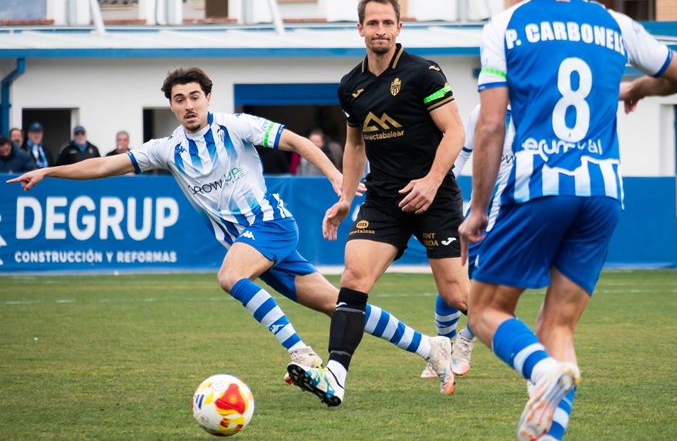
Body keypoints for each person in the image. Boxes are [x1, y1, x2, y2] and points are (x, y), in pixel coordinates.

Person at [7, 67, 453, 394]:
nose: (188, 105)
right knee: (339, 306)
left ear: (207, 97)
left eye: (195, 96)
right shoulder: (167, 149)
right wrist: (51, 173)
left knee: (229, 276)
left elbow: (296, 141)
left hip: (270, 225)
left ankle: (301, 352)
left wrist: (336, 177)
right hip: (253, 241)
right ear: (172, 105)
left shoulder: (236, 125)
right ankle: (430, 347)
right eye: (179, 99)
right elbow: (105, 164)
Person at [458, 0, 677, 441]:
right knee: (559, 326)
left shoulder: (506, 24)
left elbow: (492, 124)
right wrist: (637, 90)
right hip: (603, 193)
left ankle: (538, 372)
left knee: (485, 311)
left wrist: (477, 208)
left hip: (540, 186)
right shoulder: (616, 24)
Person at [286, 0, 470, 406]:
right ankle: (335, 376)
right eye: (373, 23)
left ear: (399, 27)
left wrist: (430, 180)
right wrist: (347, 198)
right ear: (360, 29)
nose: (381, 30)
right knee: (353, 278)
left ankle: (535, 361)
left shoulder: (425, 72)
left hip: (434, 198)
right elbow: (354, 146)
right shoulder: (350, 86)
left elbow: (455, 132)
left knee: (459, 297)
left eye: (388, 23)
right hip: (385, 200)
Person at [422, 102, 515, 380]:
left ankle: (465, 342)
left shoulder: (542, 108)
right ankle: (443, 347)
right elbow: (461, 155)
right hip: (478, 216)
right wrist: (438, 188)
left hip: (515, 219)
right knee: (454, 287)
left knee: (493, 287)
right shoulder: (483, 111)